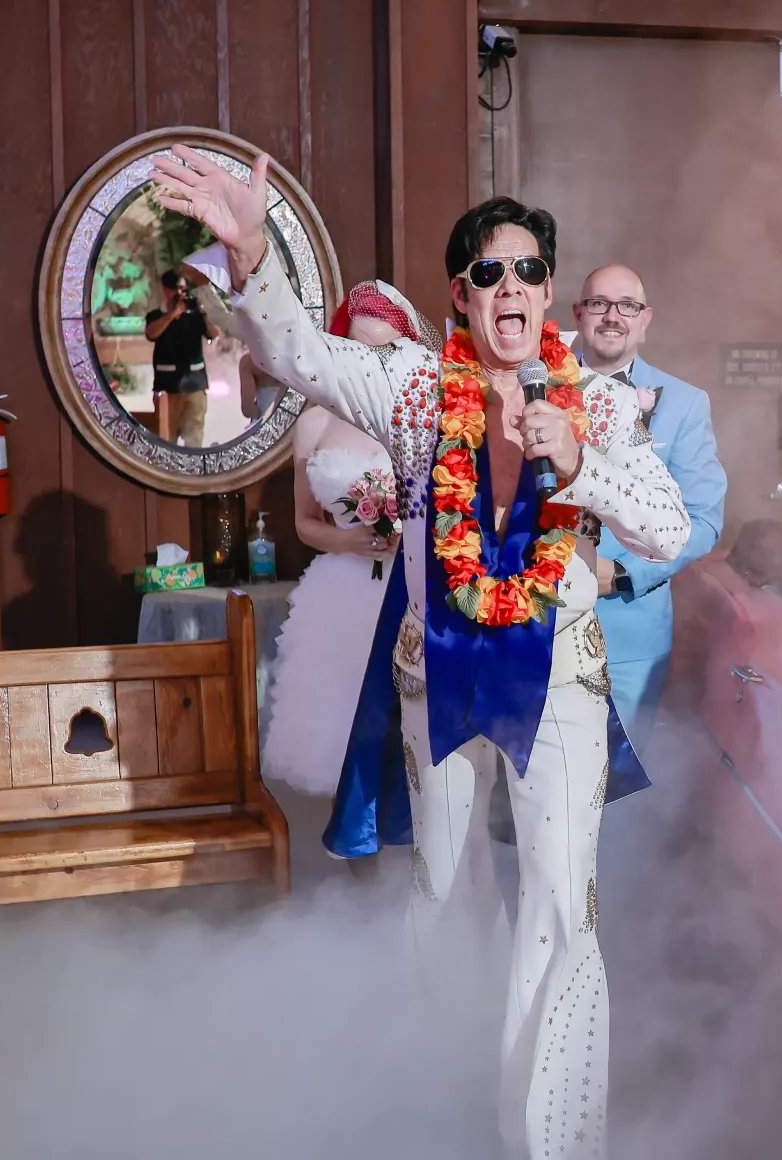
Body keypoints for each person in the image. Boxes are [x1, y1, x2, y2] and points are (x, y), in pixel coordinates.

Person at [152, 147, 689, 1160]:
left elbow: (666, 527)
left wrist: (578, 463)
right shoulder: (408, 389)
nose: (512, 288)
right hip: (430, 671)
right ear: (461, 293)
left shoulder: (603, 404)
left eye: (530, 271)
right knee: (442, 889)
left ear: (548, 294)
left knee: (559, 904)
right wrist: (252, 248)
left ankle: (553, 1143)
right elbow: (299, 355)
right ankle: (434, 1104)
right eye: (490, 272)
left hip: (558, 677)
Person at [259, 281, 443, 798]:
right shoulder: (315, 423)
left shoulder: (425, 418)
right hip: (338, 592)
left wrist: (405, 533)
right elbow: (304, 523)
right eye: (358, 349)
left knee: (412, 725)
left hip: (409, 587)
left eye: (383, 350)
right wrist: (352, 542)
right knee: (341, 725)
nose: (370, 362)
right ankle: (357, 859)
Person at [572, 266, 726, 754]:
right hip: (529, 625)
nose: (612, 316)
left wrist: (620, 572)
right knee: (524, 797)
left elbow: (703, 520)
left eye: (627, 306)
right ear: (578, 313)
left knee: (612, 799)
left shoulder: (683, 404)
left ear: (645, 320)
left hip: (628, 635)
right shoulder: (530, 386)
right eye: (598, 304)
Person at [144, 266, 218, 447]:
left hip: (195, 385)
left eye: (183, 289)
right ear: (165, 289)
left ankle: (192, 473)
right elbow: (151, 334)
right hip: (168, 387)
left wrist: (203, 310)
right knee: (166, 440)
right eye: (175, 289)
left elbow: (213, 333)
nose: (180, 293)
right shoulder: (157, 315)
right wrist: (172, 314)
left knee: (193, 438)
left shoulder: (195, 316)